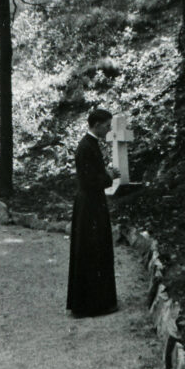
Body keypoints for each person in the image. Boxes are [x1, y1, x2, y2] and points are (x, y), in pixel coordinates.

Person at [66, 108, 120, 318]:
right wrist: (108, 176)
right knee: (92, 250)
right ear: (96, 125)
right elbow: (89, 182)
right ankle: (91, 305)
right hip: (89, 205)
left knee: (96, 249)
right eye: (107, 126)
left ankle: (97, 301)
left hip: (92, 203)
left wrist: (104, 174)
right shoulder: (86, 147)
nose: (109, 130)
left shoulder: (90, 145)